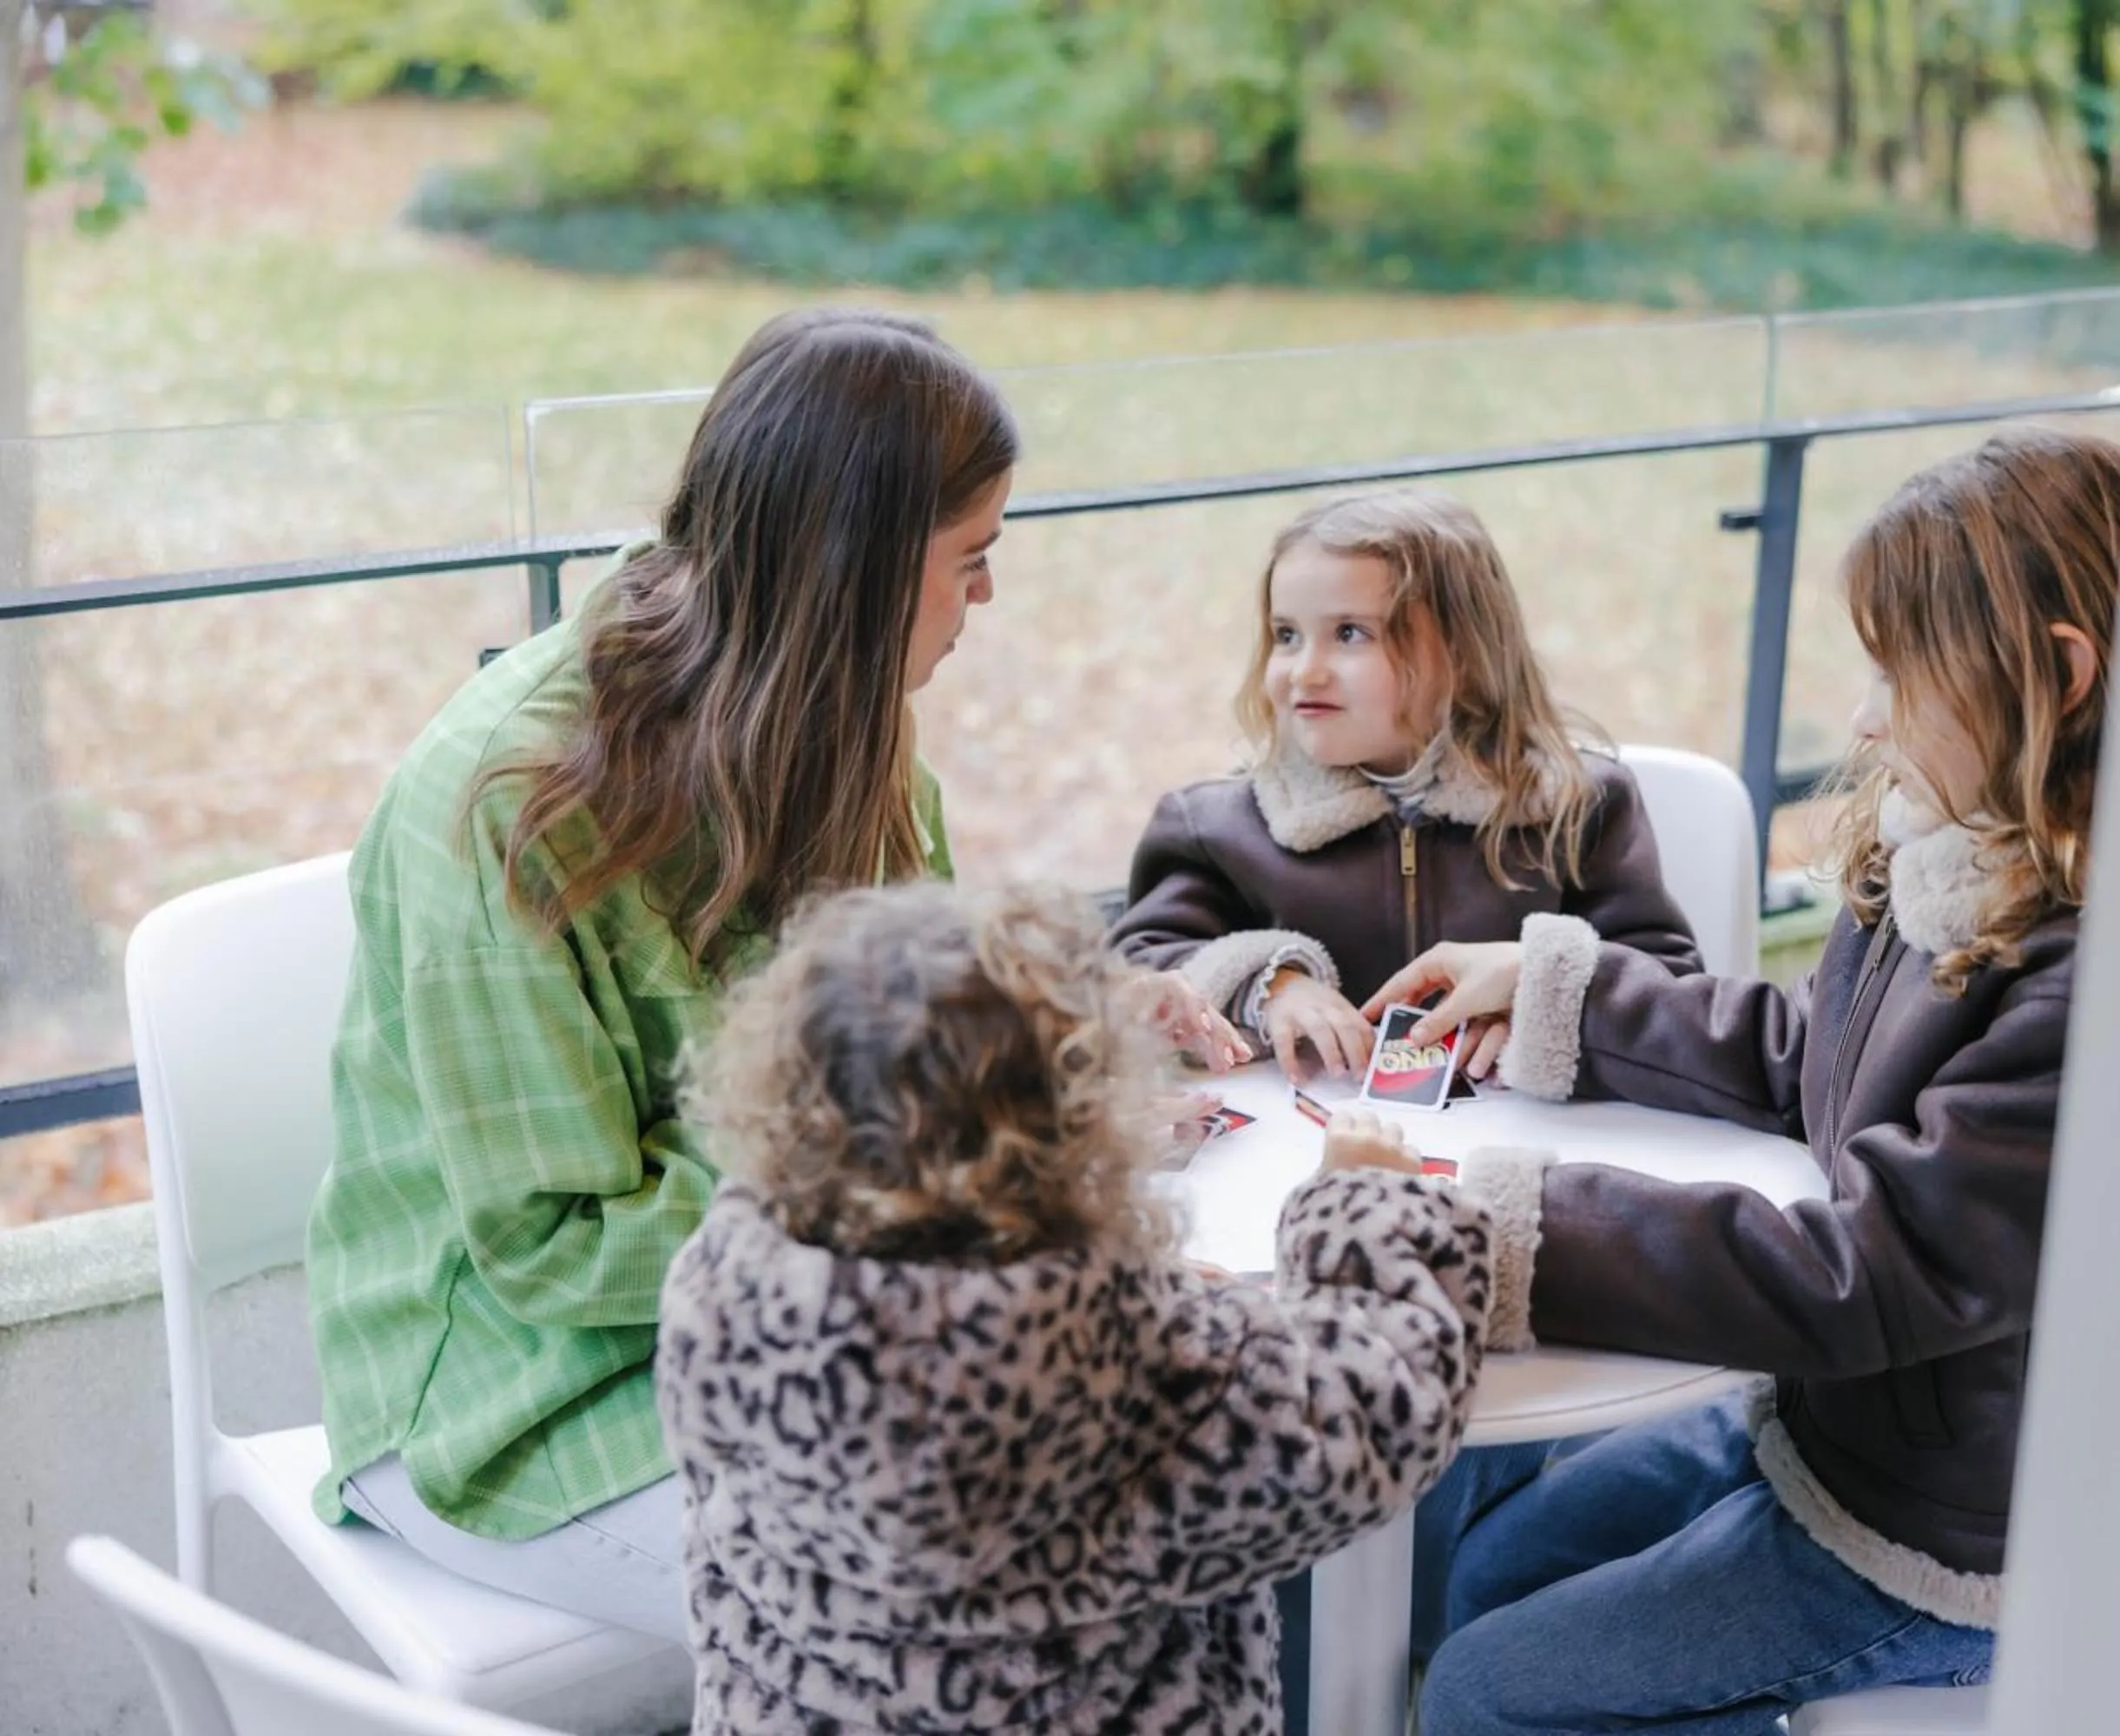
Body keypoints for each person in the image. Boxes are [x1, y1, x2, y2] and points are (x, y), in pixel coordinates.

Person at [306, 306, 1238, 1638]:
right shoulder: (504, 810)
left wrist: (1051, 1032)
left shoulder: (841, 715)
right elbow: (554, 1254)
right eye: (971, 559)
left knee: (1148, 1467)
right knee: (1013, 1587)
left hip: (807, 1315)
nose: (989, 596)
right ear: (852, 567)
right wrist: (942, 1171)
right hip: (523, 1406)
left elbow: (898, 1028)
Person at [1370, 428, 2120, 1733]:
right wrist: (1564, 986)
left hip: (1932, 1540)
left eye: (1904, 673)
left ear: (2057, 677)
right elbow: (1807, 1055)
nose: (1866, 717)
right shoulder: (1953, 864)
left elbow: (1867, 1273)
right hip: (1828, 1436)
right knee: (1488, 1577)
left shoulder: (2083, 992)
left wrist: (1515, 1224)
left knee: (1489, 1697)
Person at [656, 881, 1494, 1734]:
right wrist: (1363, 1208)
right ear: (1070, 1130)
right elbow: (1367, 1423)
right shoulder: (1117, 1353)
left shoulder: (719, 1286)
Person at [1111, 487, 1702, 1087]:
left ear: (1464, 654)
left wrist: (1538, 1000)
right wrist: (1270, 987)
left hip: (1524, 1148)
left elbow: (1666, 980)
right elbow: (1134, 974)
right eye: (1286, 634)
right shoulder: (1215, 830)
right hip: (1303, 1150)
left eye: (1349, 634)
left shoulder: (1578, 808)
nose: (1304, 669)